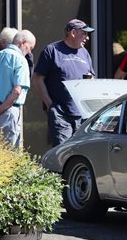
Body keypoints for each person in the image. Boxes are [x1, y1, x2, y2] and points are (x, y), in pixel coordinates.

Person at [35, 19, 96, 147]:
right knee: (62, 152)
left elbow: (92, 78)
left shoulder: (84, 53)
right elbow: (38, 79)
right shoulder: (52, 50)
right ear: (73, 33)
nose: (87, 38)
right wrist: (50, 105)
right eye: (84, 33)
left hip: (82, 116)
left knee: (79, 153)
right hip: (60, 114)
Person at [0, 29, 36, 148]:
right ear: (23, 42)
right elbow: (17, 91)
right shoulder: (21, 60)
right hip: (8, 112)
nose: (30, 52)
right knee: (9, 154)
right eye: (30, 48)